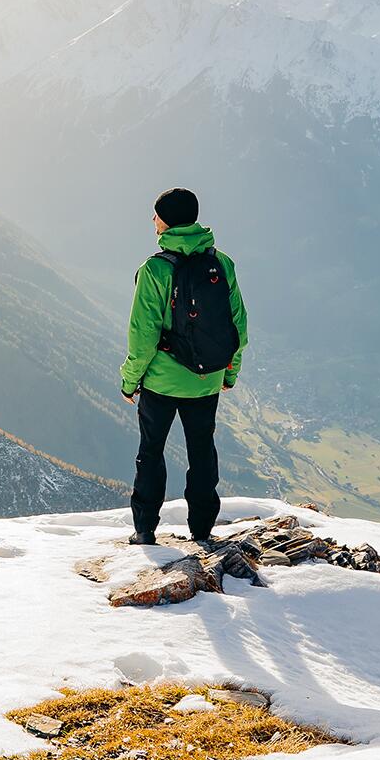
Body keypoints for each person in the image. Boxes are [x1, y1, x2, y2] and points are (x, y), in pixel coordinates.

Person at [118, 187, 248, 545]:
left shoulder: (155, 269)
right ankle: (202, 529)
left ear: (166, 221)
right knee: (202, 452)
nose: (152, 220)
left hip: (161, 381)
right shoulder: (221, 263)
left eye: (155, 215)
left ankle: (145, 530)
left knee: (151, 452)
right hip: (207, 380)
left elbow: (142, 335)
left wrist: (130, 381)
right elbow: (238, 323)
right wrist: (229, 372)